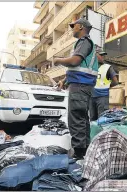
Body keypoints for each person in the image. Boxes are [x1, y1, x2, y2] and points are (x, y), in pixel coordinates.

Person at [53, 18, 98, 159]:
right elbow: (79, 68)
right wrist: (64, 80)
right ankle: (84, 150)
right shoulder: (86, 43)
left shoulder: (84, 41)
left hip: (80, 86)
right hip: (83, 85)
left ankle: (79, 153)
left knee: (76, 119)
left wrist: (58, 60)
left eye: (74, 26)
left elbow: (75, 61)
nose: (72, 29)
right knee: (82, 118)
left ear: (80, 27)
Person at [90, 47, 119, 121]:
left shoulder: (107, 67)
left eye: (104, 55)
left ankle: (101, 132)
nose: (103, 57)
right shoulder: (90, 67)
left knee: (102, 119)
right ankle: (94, 132)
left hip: (103, 97)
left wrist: (107, 86)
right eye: (101, 55)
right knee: (92, 119)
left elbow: (115, 82)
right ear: (95, 55)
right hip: (92, 97)